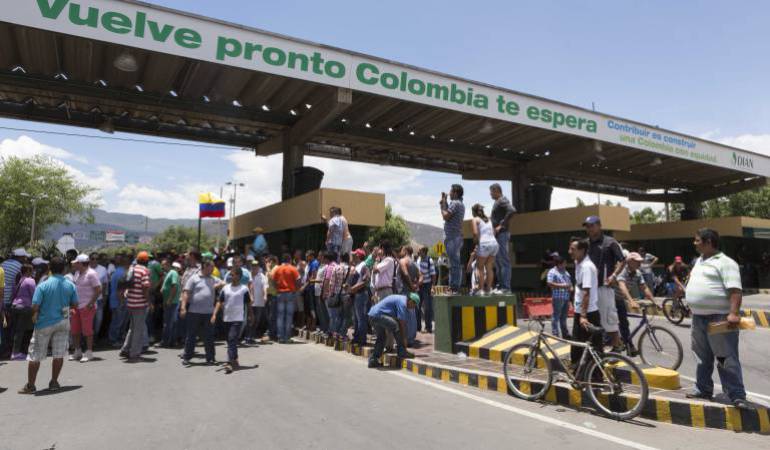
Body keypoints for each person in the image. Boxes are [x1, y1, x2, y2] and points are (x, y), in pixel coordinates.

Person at [684, 228, 749, 408]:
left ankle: (736, 394)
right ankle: (703, 389)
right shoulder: (699, 261)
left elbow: (735, 290)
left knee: (725, 358)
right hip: (698, 318)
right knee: (701, 357)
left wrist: (733, 313)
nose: (694, 243)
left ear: (708, 242)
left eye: (697, 240)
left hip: (719, 317)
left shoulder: (726, 262)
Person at [18, 257, 79, 394]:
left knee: (35, 354)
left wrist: (37, 313)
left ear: (50, 269)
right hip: (63, 321)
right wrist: (67, 309)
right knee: (59, 353)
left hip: (44, 323)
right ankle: (54, 382)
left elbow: (35, 306)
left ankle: (31, 385)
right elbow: (75, 304)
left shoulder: (43, 285)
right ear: (64, 269)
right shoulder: (70, 285)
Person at [583, 215, 624, 352]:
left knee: (609, 320)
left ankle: (617, 347)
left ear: (599, 226)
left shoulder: (610, 242)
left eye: (592, 225)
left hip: (604, 288)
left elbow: (622, 261)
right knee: (591, 321)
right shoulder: (585, 244)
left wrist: (614, 275)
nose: (589, 229)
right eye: (587, 226)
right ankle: (596, 349)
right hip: (588, 289)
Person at [180, 258, 221, 365]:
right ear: (205, 266)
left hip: (209, 313)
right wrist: (183, 307)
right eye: (211, 267)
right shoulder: (194, 278)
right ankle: (187, 357)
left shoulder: (213, 279)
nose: (213, 269)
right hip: (194, 312)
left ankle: (210, 358)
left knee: (209, 336)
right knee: (191, 335)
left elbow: (224, 283)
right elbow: (186, 292)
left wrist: (218, 285)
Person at [568, 238, 602, 365]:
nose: (570, 252)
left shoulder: (587, 267)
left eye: (573, 249)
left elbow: (587, 292)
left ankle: (596, 374)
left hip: (588, 314)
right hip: (580, 311)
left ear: (582, 250)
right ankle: (578, 372)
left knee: (592, 348)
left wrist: (583, 316)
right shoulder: (578, 262)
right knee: (577, 346)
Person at [214, 269, 253, 373]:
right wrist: (214, 314)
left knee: (231, 339)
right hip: (227, 318)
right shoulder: (225, 288)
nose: (231, 277)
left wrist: (251, 315)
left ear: (239, 276)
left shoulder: (244, 289)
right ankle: (234, 358)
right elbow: (219, 301)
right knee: (230, 340)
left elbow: (248, 303)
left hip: (238, 318)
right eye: (230, 275)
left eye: (233, 275)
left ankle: (230, 362)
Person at [615, 253, 654, 356]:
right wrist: (631, 300)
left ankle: (628, 346)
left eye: (640, 261)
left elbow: (644, 287)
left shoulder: (637, 273)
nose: (639, 263)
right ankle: (613, 347)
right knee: (613, 323)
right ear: (629, 261)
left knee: (624, 324)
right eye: (637, 261)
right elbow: (622, 286)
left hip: (620, 299)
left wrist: (654, 301)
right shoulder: (622, 270)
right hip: (611, 298)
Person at [367, 293, 418, 368]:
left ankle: (373, 360)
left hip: (372, 315)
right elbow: (402, 323)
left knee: (382, 337)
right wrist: (404, 338)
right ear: (410, 301)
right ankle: (402, 351)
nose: (413, 308)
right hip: (378, 315)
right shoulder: (403, 303)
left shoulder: (401, 299)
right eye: (414, 305)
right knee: (396, 326)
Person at [120, 252, 152, 362]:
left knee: (132, 328)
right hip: (140, 304)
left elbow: (125, 285)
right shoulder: (144, 271)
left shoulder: (131, 268)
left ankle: (125, 349)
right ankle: (134, 354)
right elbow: (145, 288)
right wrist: (149, 302)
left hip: (130, 303)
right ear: (146, 261)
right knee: (138, 329)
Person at [70, 254, 101, 362]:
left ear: (81, 264)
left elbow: (98, 289)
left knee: (87, 331)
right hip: (76, 306)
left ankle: (89, 352)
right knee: (75, 330)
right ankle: (77, 351)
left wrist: (90, 304)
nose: (74, 264)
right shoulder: (77, 273)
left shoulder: (92, 274)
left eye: (76, 263)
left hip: (86, 307)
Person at [2, 248, 28, 358]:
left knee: (3, 326)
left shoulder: (3, 264)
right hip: (8, 300)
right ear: (20, 257)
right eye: (24, 257)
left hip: (1, 298)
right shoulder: (19, 267)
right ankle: (6, 350)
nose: (25, 259)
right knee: (8, 327)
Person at [489, 183, 516, 294]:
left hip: (502, 234)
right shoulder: (498, 202)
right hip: (497, 236)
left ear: (496, 191)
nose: (490, 194)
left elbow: (512, 210)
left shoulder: (502, 200)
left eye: (491, 192)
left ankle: (506, 287)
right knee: (498, 262)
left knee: (503, 261)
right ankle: (500, 286)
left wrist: (501, 225)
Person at [440, 184, 465, 294]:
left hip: (452, 237)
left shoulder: (455, 203)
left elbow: (445, 216)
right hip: (455, 237)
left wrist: (442, 206)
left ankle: (454, 287)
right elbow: (448, 213)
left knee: (454, 263)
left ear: (455, 193)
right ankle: (453, 287)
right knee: (454, 263)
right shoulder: (459, 204)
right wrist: (444, 202)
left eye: (451, 191)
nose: (449, 193)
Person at [471, 203, 499, 295]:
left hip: (484, 244)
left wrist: (476, 243)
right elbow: (494, 232)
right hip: (494, 244)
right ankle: (489, 289)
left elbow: (475, 233)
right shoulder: (489, 219)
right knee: (489, 267)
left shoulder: (475, 219)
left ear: (474, 212)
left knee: (480, 268)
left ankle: (481, 290)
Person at [272, 253, 300, 343]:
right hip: (290, 293)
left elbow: (273, 280)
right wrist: (296, 289)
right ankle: (287, 337)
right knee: (289, 316)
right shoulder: (293, 269)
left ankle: (280, 337)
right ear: (290, 260)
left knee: (280, 316)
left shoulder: (278, 269)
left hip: (280, 293)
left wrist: (277, 288)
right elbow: (298, 280)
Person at [10, 264, 36, 360]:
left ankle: (17, 351)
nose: (33, 273)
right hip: (25, 307)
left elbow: (13, 294)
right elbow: (35, 295)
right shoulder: (30, 280)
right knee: (24, 330)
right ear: (28, 271)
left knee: (17, 330)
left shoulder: (19, 280)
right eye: (31, 270)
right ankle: (16, 353)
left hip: (15, 306)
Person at [323, 252, 349, 339]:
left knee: (337, 315)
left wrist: (330, 294)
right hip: (346, 294)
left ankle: (335, 333)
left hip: (337, 294)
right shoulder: (350, 268)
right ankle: (342, 333)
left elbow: (332, 283)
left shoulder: (336, 268)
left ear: (340, 258)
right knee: (345, 316)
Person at [546, 255, 572, 339]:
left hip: (566, 297)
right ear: (559, 264)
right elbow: (549, 283)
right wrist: (563, 286)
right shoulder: (552, 272)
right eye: (564, 263)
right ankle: (555, 333)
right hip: (558, 297)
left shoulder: (565, 272)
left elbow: (569, 283)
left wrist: (571, 287)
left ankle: (565, 333)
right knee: (556, 316)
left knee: (564, 317)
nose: (565, 265)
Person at [349, 249, 371, 345]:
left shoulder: (363, 265)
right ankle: (357, 337)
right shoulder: (357, 265)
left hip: (361, 294)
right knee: (356, 318)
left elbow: (366, 279)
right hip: (356, 294)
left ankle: (362, 339)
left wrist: (354, 288)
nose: (353, 256)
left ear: (358, 256)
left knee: (361, 318)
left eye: (355, 254)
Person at [108, 254, 129, 346]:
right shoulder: (122, 273)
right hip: (120, 301)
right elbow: (120, 290)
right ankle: (114, 339)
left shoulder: (116, 272)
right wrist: (122, 301)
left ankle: (114, 338)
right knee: (119, 322)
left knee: (116, 321)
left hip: (114, 301)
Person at [160, 260, 182, 347]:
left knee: (170, 322)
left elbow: (174, 286)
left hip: (172, 302)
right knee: (168, 322)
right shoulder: (169, 273)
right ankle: (168, 341)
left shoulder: (173, 273)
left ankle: (168, 341)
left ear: (168, 264)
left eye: (163, 265)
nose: (162, 267)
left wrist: (169, 299)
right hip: (169, 302)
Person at [247, 259, 268, 342]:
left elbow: (265, 286)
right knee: (250, 319)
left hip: (259, 302)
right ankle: (248, 336)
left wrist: (265, 295)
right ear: (251, 266)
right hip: (249, 302)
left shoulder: (262, 276)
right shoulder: (248, 275)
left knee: (257, 320)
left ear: (258, 267)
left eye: (256, 266)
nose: (254, 267)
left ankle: (251, 336)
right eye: (253, 265)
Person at [88, 253, 109, 338]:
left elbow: (105, 284)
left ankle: (95, 336)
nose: (95, 260)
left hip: (99, 299)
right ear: (89, 260)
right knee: (89, 320)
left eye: (96, 259)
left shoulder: (103, 269)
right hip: (88, 299)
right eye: (92, 258)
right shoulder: (85, 269)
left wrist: (105, 297)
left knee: (99, 320)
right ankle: (89, 338)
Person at [417, 247, 436, 333]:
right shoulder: (418, 259)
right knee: (417, 306)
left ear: (424, 252)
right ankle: (418, 327)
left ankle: (428, 327)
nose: (418, 251)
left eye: (420, 250)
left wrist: (432, 287)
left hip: (427, 285)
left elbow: (433, 275)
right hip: (419, 285)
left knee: (428, 307)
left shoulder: (429, 261)